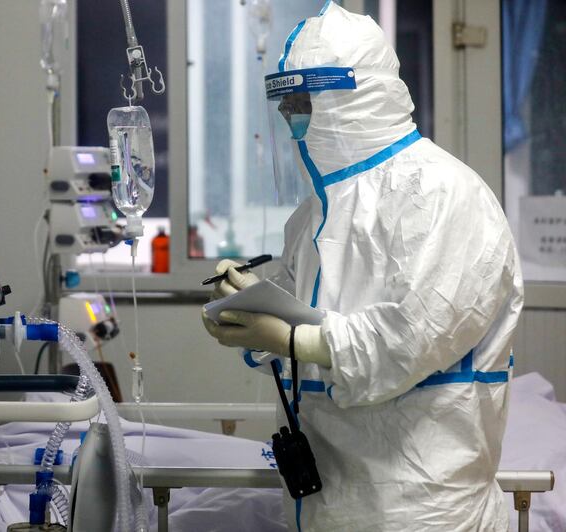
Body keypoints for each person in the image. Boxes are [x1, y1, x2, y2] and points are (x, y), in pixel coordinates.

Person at [202, 2, 523, 531]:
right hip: (326, 503)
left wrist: (292, 340)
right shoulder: (315, 214)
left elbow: (409, 339)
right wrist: (246, 302)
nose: (290, 117)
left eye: (302, 101)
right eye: (284, 103)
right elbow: (299, 317)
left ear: (355, 96)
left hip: (423, 509)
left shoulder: (443, 195)